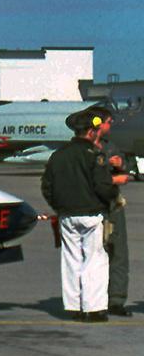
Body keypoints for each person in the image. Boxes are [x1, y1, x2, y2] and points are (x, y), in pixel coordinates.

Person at [41, 112, 118, 322]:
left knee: (71, 259)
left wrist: (59, 206)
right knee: (95, 259)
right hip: (92, 214)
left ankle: (73, 307)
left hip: (67, 215)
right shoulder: (95, 154)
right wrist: (114, 197)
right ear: (92, 131)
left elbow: (47, 186)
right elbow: (102, 186)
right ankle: (92, 309)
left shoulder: (58, 155)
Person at [85, 106, 132, 316]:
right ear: (98, 124)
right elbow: (85, 179)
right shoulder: (82, 149)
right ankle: (92, 299)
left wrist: (121, 164)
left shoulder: (110, 146)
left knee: (118, 252)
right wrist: (112, 178)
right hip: (92, 205)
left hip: (113, 206)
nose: (111, 125)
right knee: (92, 255)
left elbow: (127, 169)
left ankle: (116, 300)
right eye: (109, 122)